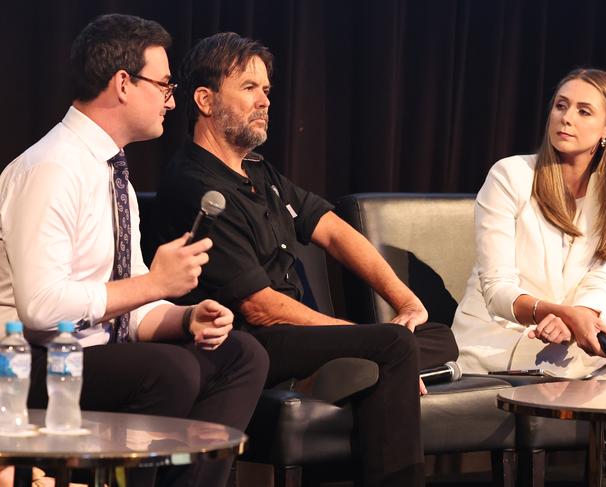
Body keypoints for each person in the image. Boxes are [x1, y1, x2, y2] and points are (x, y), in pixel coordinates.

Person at [152, 32, 458, 486]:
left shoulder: (258, 170)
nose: (265, 101)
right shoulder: (197, 184)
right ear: (204, 99)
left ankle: (340, 371)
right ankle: (334, 374)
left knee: (434, 336)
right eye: (249, 88)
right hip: (248, 343)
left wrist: (407, 303)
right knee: (395, 347)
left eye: (268, 90)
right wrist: (366, 336)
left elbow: (333, 230)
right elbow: (260, 306)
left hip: (298, 336)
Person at [0, 15, 268, 487]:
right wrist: (153, 284)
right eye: (164, 85)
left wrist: (185, 318)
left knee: (242, 353)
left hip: (99, 354)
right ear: (123, 83)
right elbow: (41, 309)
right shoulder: (51, 168)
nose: (171, 99)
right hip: (30, 365)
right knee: (170, 369)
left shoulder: (112, 172)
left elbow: (133, 313)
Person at [453, 68, 606, 377]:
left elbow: (600, 283)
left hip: (566, 337)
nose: (566, 117)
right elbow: (497, 289)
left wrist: (578, 319)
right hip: (497, 337)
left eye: (583, 111)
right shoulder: (509, 175)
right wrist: (563, 314)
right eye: (561, 105)